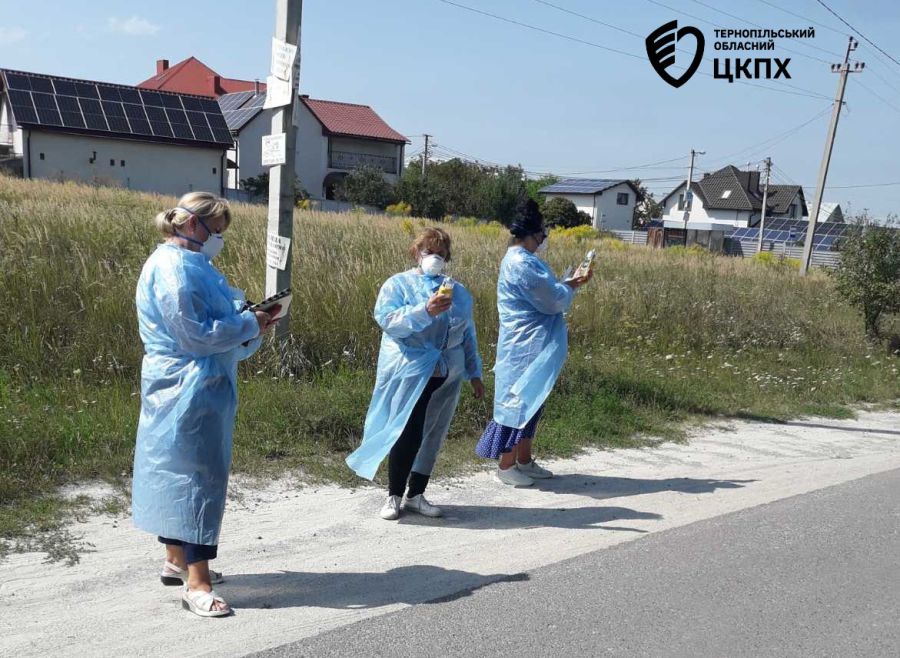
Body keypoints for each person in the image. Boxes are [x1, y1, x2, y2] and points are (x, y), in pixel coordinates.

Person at [132, 192, 278, 617]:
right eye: (217, 231)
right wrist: (250, 322)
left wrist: (252, 323)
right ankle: (198, 583)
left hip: (187, 385)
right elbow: (197, 336)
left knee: (173, 471)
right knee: (198, 479)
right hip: (188, 388)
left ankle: (176, 559)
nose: (219, 239)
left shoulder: (192, 265)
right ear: (194, 224)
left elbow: (219, 329)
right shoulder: (174, 269)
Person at [347, 227, 484, 520]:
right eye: (429, 252)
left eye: (442, 254)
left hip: (446, 373)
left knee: (433, 434)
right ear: (416, 252)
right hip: (410, 371)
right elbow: (389, 321)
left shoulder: (458, 292)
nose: (435, 258)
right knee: (407, 432)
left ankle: (416, 494)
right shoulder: (397, 285)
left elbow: (467, 333)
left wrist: (475, 372)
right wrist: (425, 310)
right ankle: (393, 495)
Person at [476, 199, 591, 487]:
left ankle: (525, 460)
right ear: (532, 233)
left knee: (533, 402)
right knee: (516, 403)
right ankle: (506, 465)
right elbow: (552, 300)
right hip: (523, 345)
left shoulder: (527, 260)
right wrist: (573, 284)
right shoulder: (520, 262)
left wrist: (565, 284)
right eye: (543, 233)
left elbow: (549, 292)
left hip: (535, 344)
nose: (545, 240)